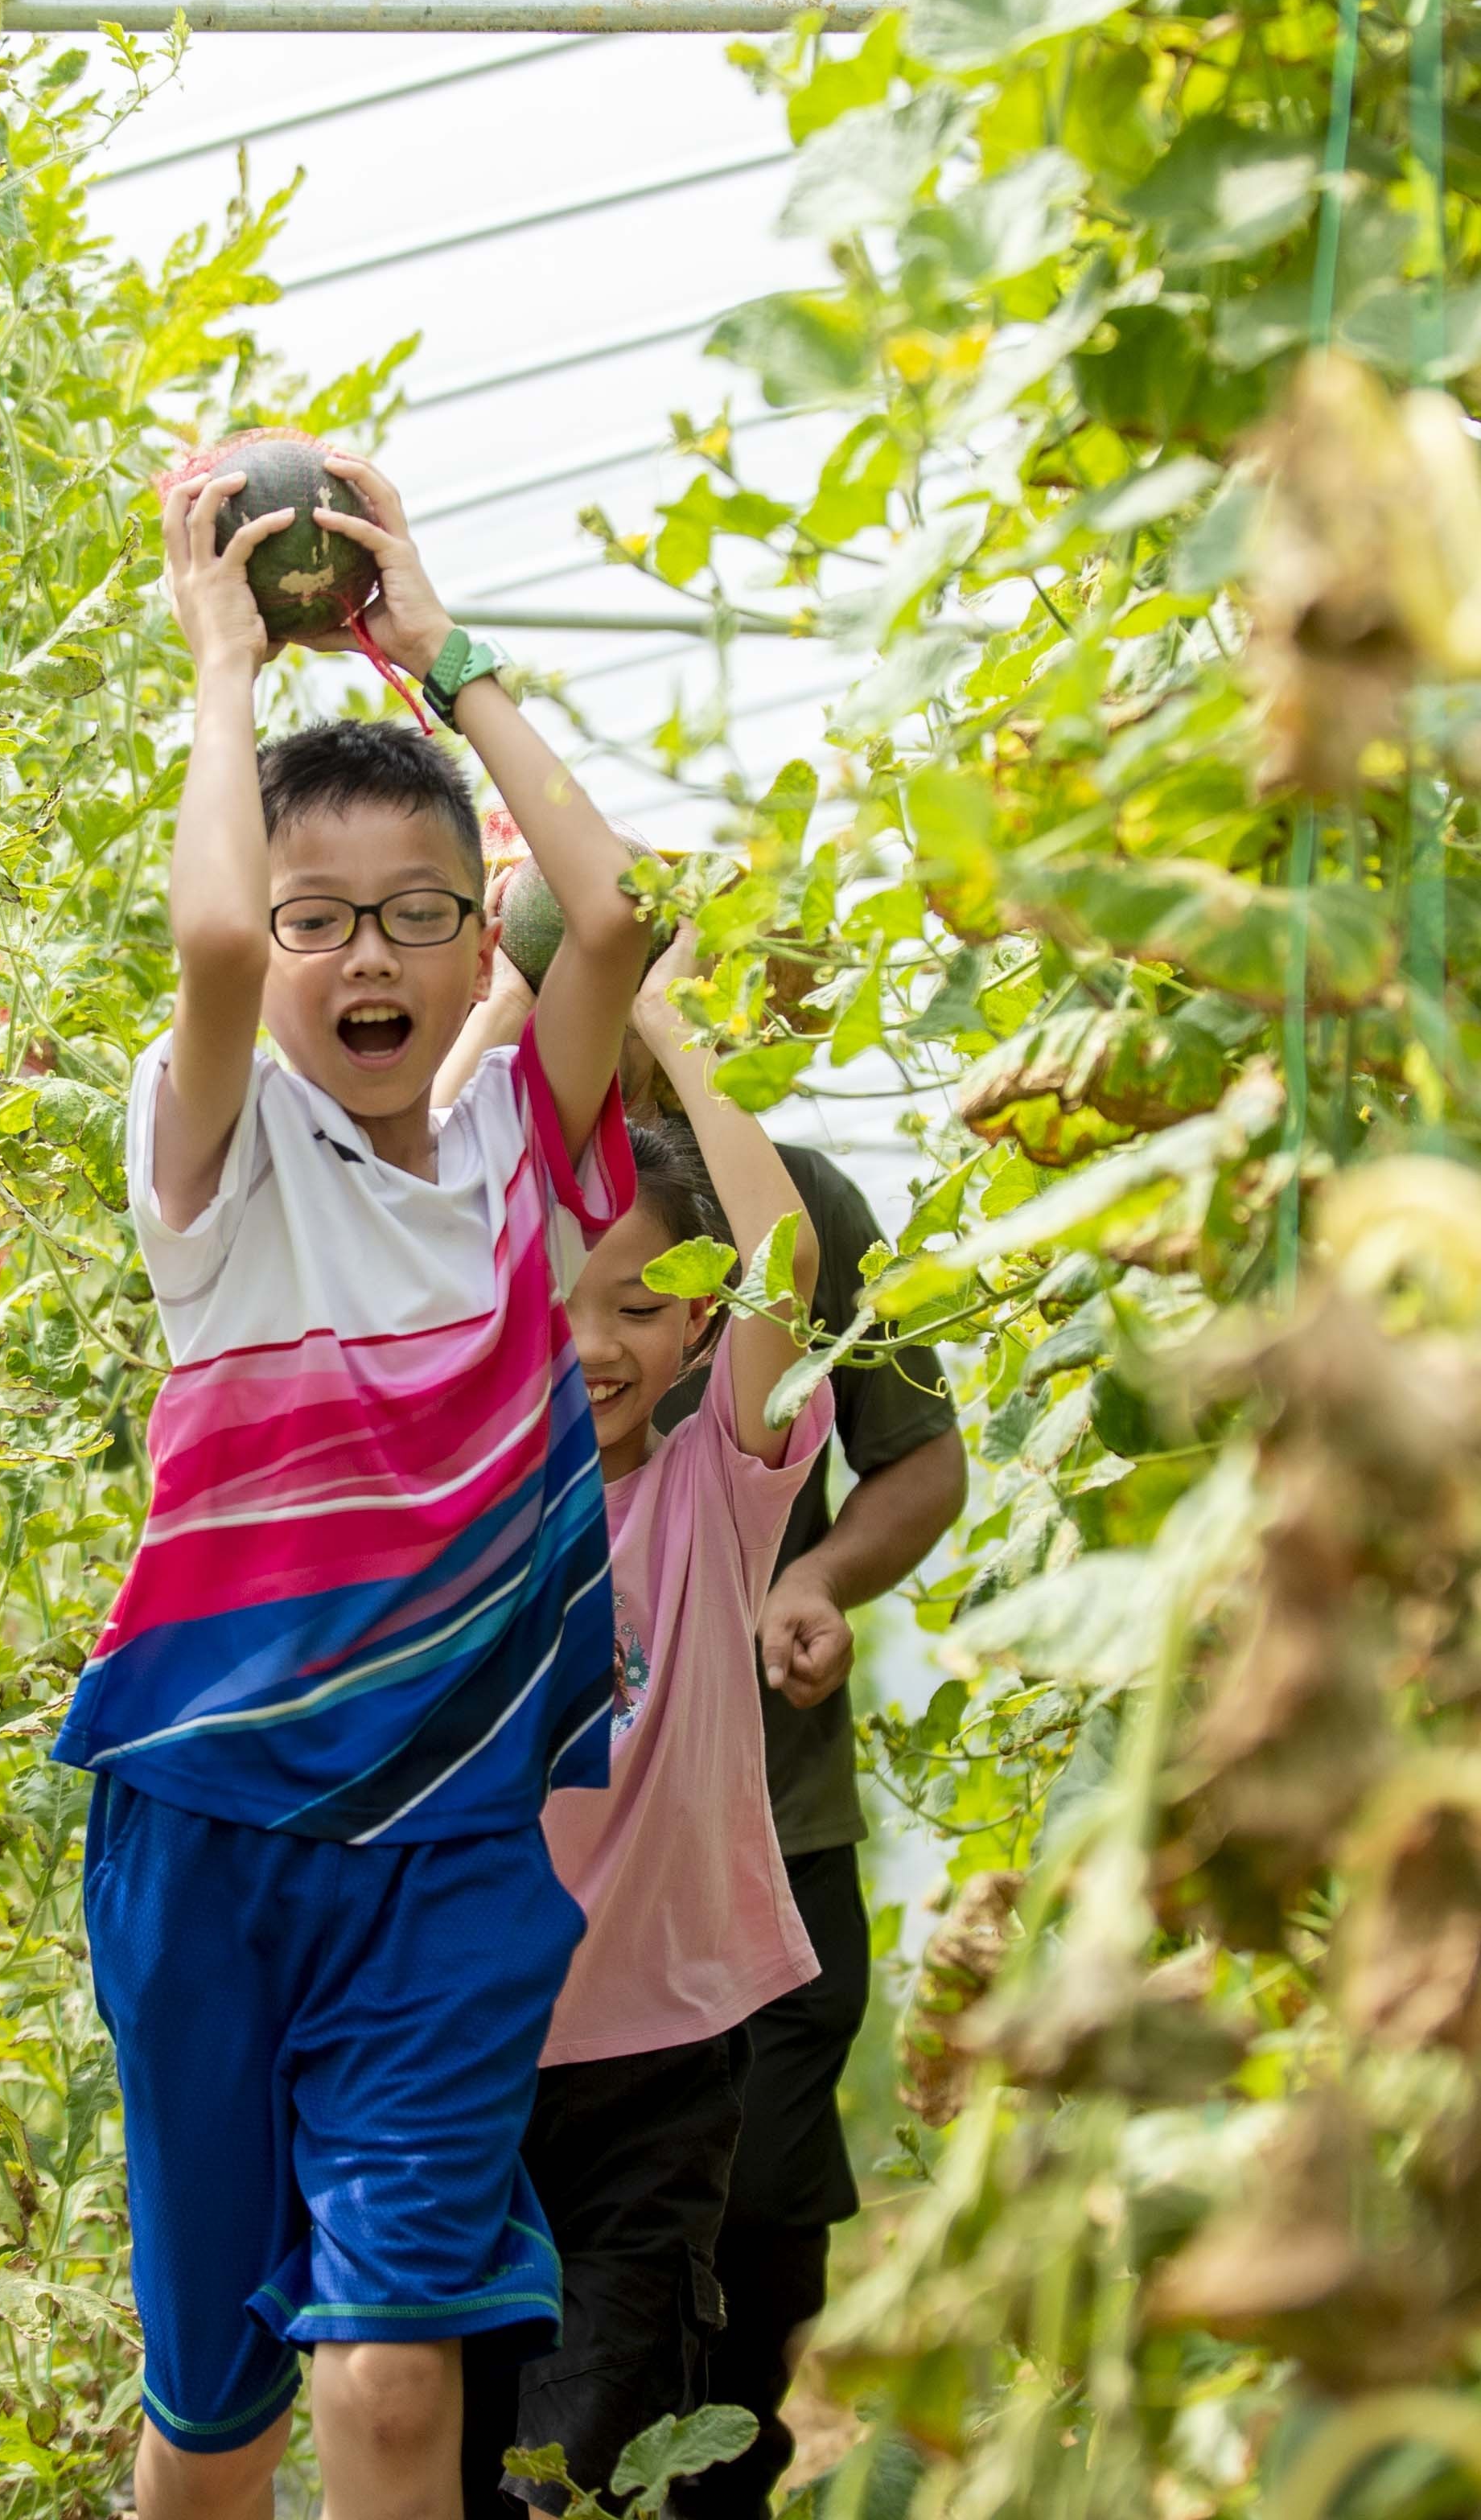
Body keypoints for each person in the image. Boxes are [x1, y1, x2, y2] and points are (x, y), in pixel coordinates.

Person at [60, 448, 655, 2520]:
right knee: (214, 2417)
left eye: (418, 917)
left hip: (450, 1849)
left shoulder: (510, 1134)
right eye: (330, 923)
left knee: (395, 2388)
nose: (364, 958)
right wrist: (223, 661)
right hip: (210, 1833)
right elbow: (214, 936)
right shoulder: (214, 1157)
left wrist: (436, 651)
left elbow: (617, 913)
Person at [433, 966, 967, 2520]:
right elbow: (410, 1218)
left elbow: (784, 1275)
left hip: (664, 2050)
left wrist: (673, 1026)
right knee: (454, 2428)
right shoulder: (460, 1489)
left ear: (697, 1322)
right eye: (547, 1309)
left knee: (596, 2444)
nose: (591, 1344)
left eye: (641, 1309)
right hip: (476, 2043)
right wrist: (496, 1004)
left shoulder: (705, 1491)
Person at [660, 1144, 962, 2520]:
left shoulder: (799, 1204)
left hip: (773, 1830)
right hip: (549, 1851)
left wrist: (824, 1578)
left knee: (763, 2227)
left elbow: (923, 1463)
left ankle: (728, 2491)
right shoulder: (463, 1165)